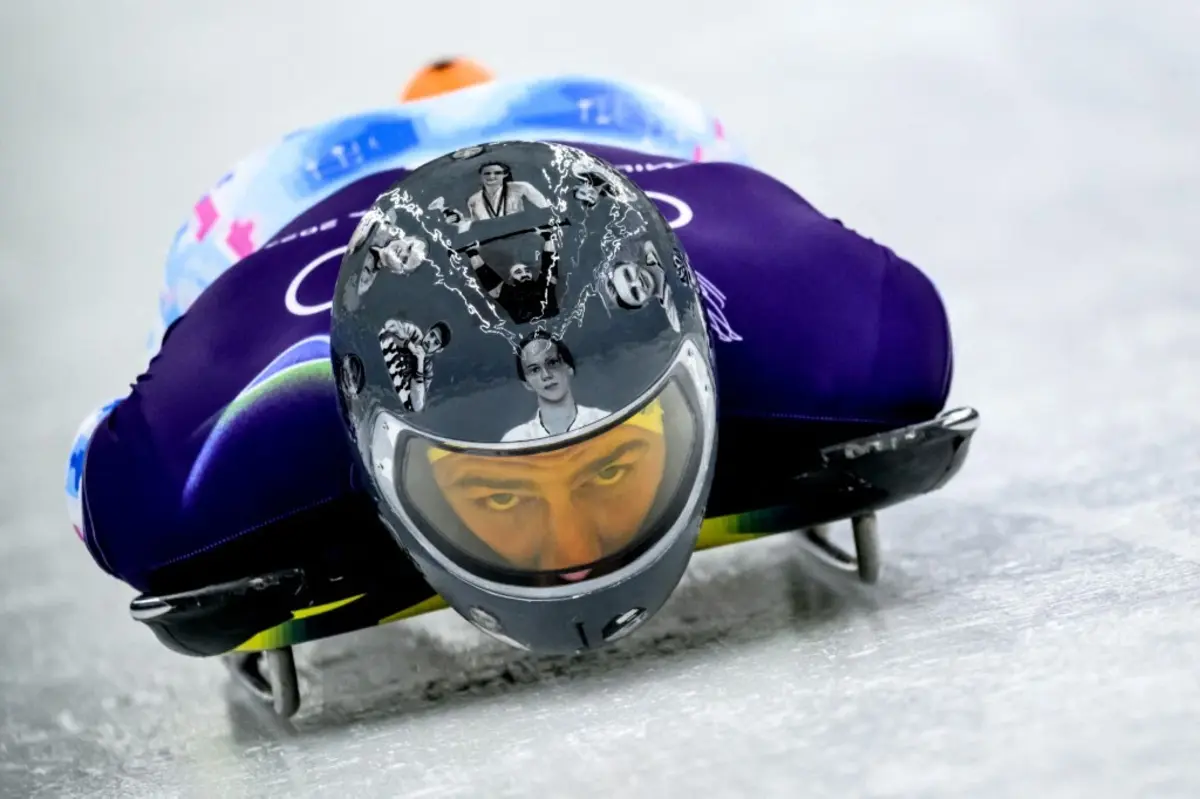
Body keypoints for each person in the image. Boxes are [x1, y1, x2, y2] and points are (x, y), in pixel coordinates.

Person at [66, 60, 975, 673]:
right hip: (285, 205)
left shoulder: (824, 320)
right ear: (372, 447)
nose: (574, 553)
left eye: (614, 463)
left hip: (605, 140)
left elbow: (90, 469)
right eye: (501, 494)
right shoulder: (224, 438)